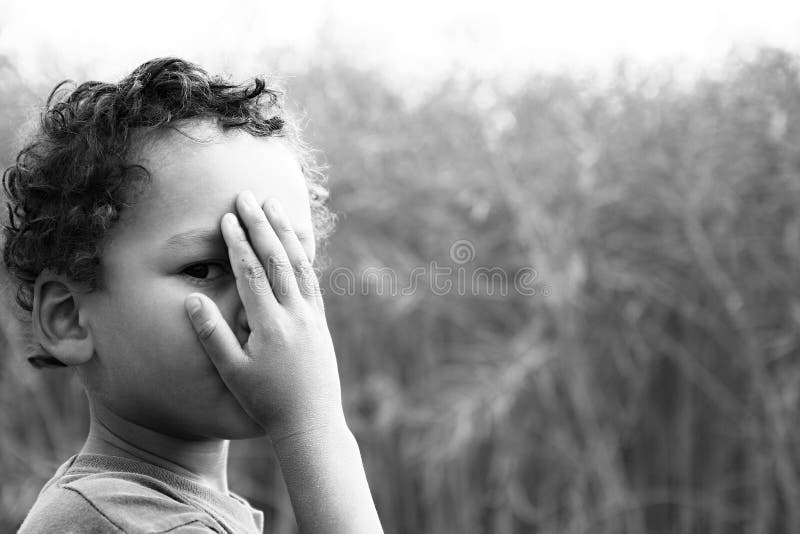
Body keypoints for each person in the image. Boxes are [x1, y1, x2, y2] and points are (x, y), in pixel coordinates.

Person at [3, 57, 384, 533]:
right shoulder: (132, 523)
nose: (259, 310)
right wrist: (315, 425)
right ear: (69, 317)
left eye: (286, 268)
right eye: (204, 269)